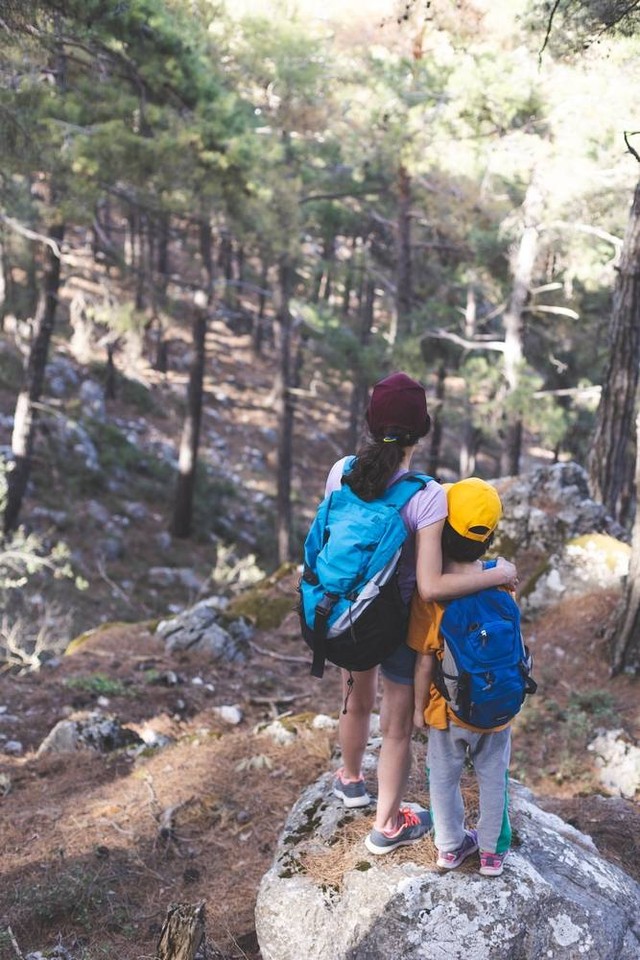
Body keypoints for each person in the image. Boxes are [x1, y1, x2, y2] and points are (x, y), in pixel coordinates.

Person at [327, 373, 518, 856]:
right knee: (395, 727)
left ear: (371, 424)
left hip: (347, 614)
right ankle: (387, 824)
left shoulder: (341, 470)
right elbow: (432, 585)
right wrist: (497, 574)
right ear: (422, 430)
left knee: (354, 696)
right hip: (394, 622)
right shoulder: (428, 494)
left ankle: (349, 780)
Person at [409, 477, 514, 876]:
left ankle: (450, 847)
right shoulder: (501, 580)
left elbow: (423, 662)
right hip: (497, 708)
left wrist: (419, 711)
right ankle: (491, 852)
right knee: (493, 777)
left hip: (447, 710)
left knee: (443, 777)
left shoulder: (430, 597)